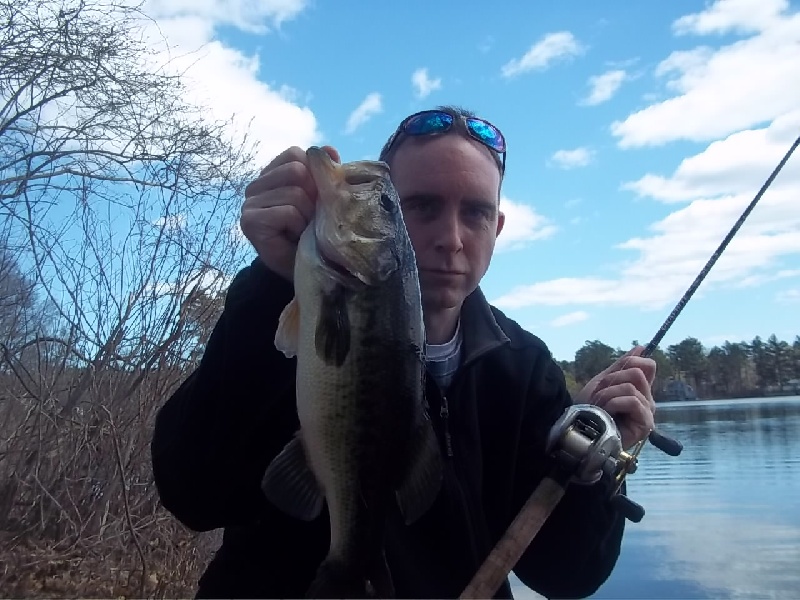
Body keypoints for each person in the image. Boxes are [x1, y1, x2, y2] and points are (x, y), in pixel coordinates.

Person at [150, 105, 657, 599]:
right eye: (421, 206)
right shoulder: (281, 319)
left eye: (476, 213)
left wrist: (591, 464)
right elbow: (194, 495)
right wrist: (272, 283)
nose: (451, 239)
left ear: (496, 230)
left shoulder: (522, 368)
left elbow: (568, 577)